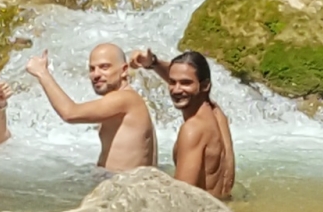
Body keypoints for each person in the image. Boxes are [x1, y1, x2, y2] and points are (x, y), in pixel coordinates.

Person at [26, 43, 157, 173]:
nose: (96, 74)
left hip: (124, 184)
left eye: (104, 67)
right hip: (122, 181)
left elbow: (70, 113)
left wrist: (42, 73)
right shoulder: (129, 100)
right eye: (92, 69)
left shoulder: (124, 98)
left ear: (124, 70)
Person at [129, 48, 235, 199]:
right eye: (172, 82)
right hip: (223, 206)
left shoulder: (193, 129)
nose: (176, 90)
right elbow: (185, 77)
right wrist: (153, 63)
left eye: (185, 83)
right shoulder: (217, 114)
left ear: (205, 85)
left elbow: (181, 198)